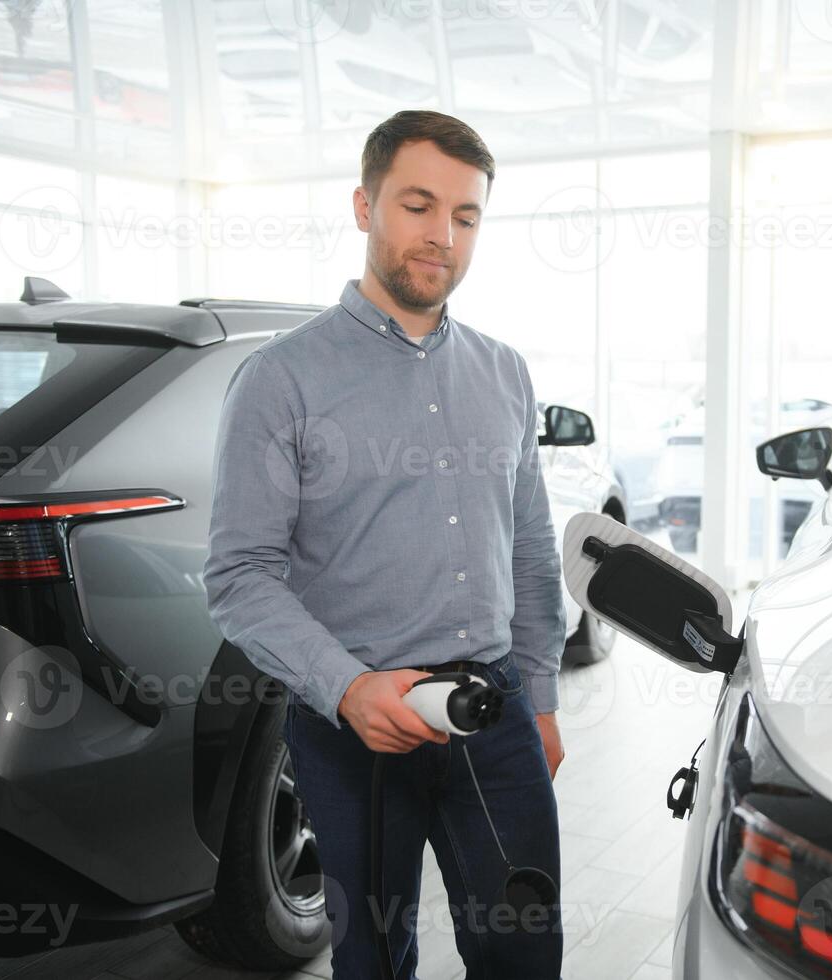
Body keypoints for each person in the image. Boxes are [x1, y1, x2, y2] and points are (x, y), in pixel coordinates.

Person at [203, 109, 566, 979]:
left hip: (495, 712)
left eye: (466, 215)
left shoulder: (505, 370)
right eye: (417, 204)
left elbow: (529, 546)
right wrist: (348, 688)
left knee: (522, 947)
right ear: (364, 206)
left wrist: (542, 699)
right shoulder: (280, 379)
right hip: (348, 726)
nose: (442, 234)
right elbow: (238, 575)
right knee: (370, 954)